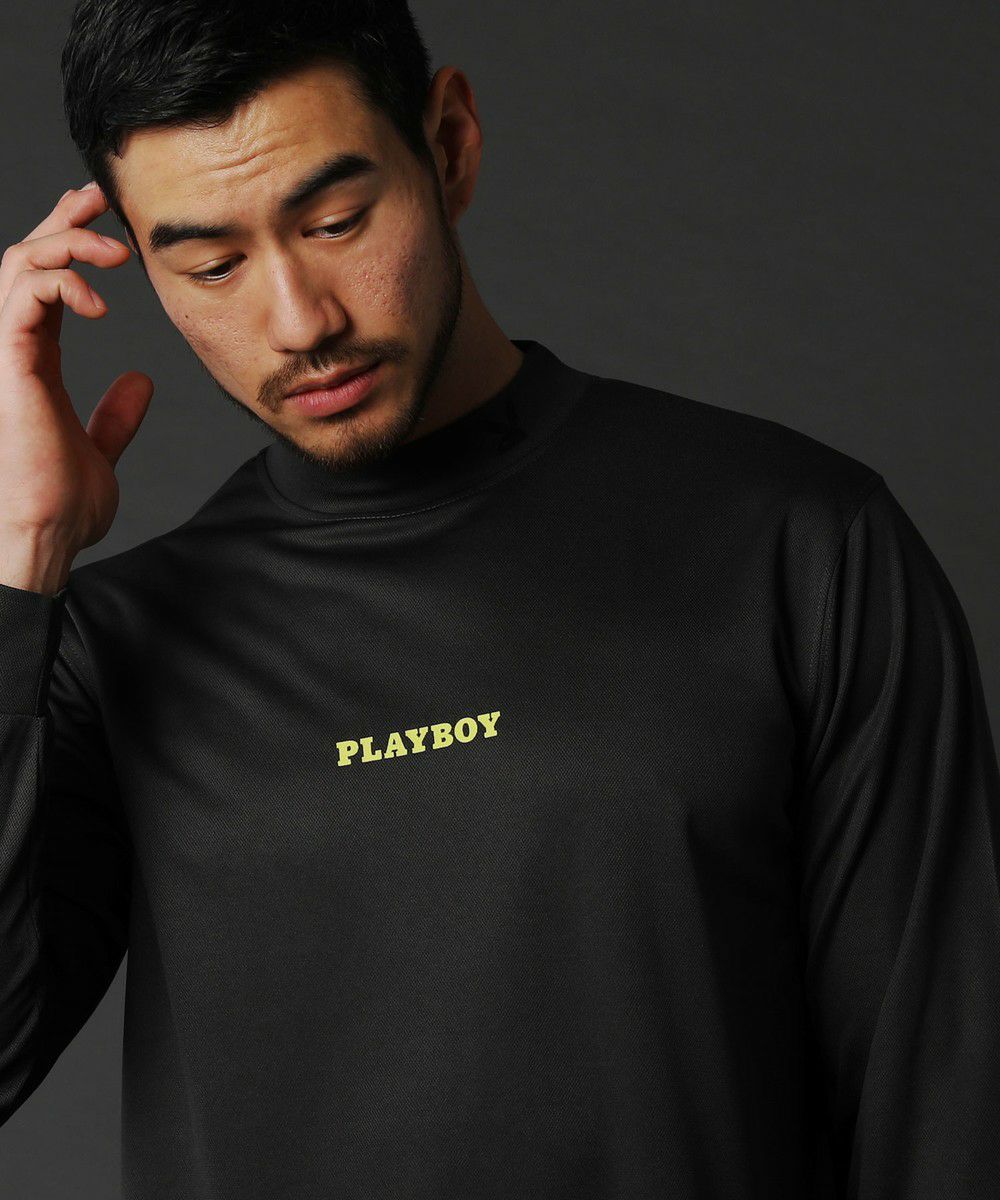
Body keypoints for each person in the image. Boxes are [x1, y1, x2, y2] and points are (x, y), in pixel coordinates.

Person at [1, 2, 997, 1196]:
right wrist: (21, 555)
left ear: (450, 145)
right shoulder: (110, 646)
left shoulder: (795, 542)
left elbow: (945, 1102)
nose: (300, 320)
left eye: (336, 221)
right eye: (212, 265)